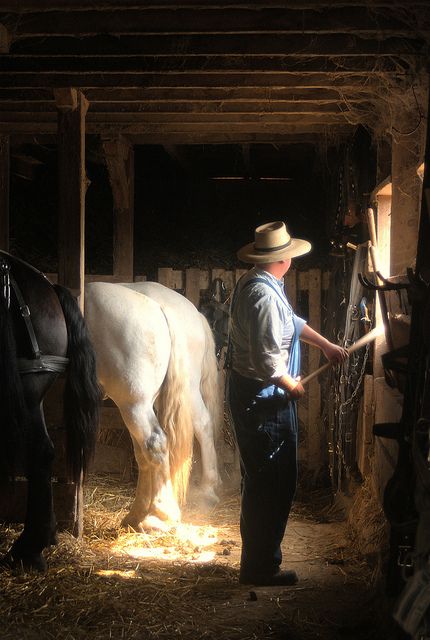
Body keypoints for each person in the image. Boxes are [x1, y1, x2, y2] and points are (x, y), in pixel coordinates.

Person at [226, 220, 348, 587]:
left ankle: (258, 561)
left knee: (269, 480)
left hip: (264, 397)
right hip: (263, 400)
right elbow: (266, 359)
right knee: (272, 482)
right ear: (284, 260)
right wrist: (290, 384)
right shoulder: (262, 296)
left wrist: (324, 343)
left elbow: (290, 323)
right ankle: (260, 568)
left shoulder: (263, 283)